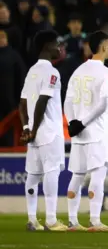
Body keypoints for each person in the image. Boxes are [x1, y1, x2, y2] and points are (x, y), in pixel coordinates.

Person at [63, 31, 108, 232]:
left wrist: (73, 123)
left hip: (78, 134)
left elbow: (67, 101)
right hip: (96, 132)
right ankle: (95, 221)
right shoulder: (106, 73)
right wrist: (83, 123)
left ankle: (72, 221)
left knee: (77, 175)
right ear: (103, 47)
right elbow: (103, 104)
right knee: (98, 173)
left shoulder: (77, 71)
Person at [19, 30, 67, 231]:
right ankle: (51, 219)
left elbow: (22, 104)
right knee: (51, 172)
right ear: (47, 46)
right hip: (49, 132)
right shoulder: (52, 72)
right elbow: (42, 101)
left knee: (33, 174)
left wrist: (27, 128)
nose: (60, 47)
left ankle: (32, 218)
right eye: (57, 44)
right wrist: (35, 129)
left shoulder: (32, 71)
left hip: (35, 135)